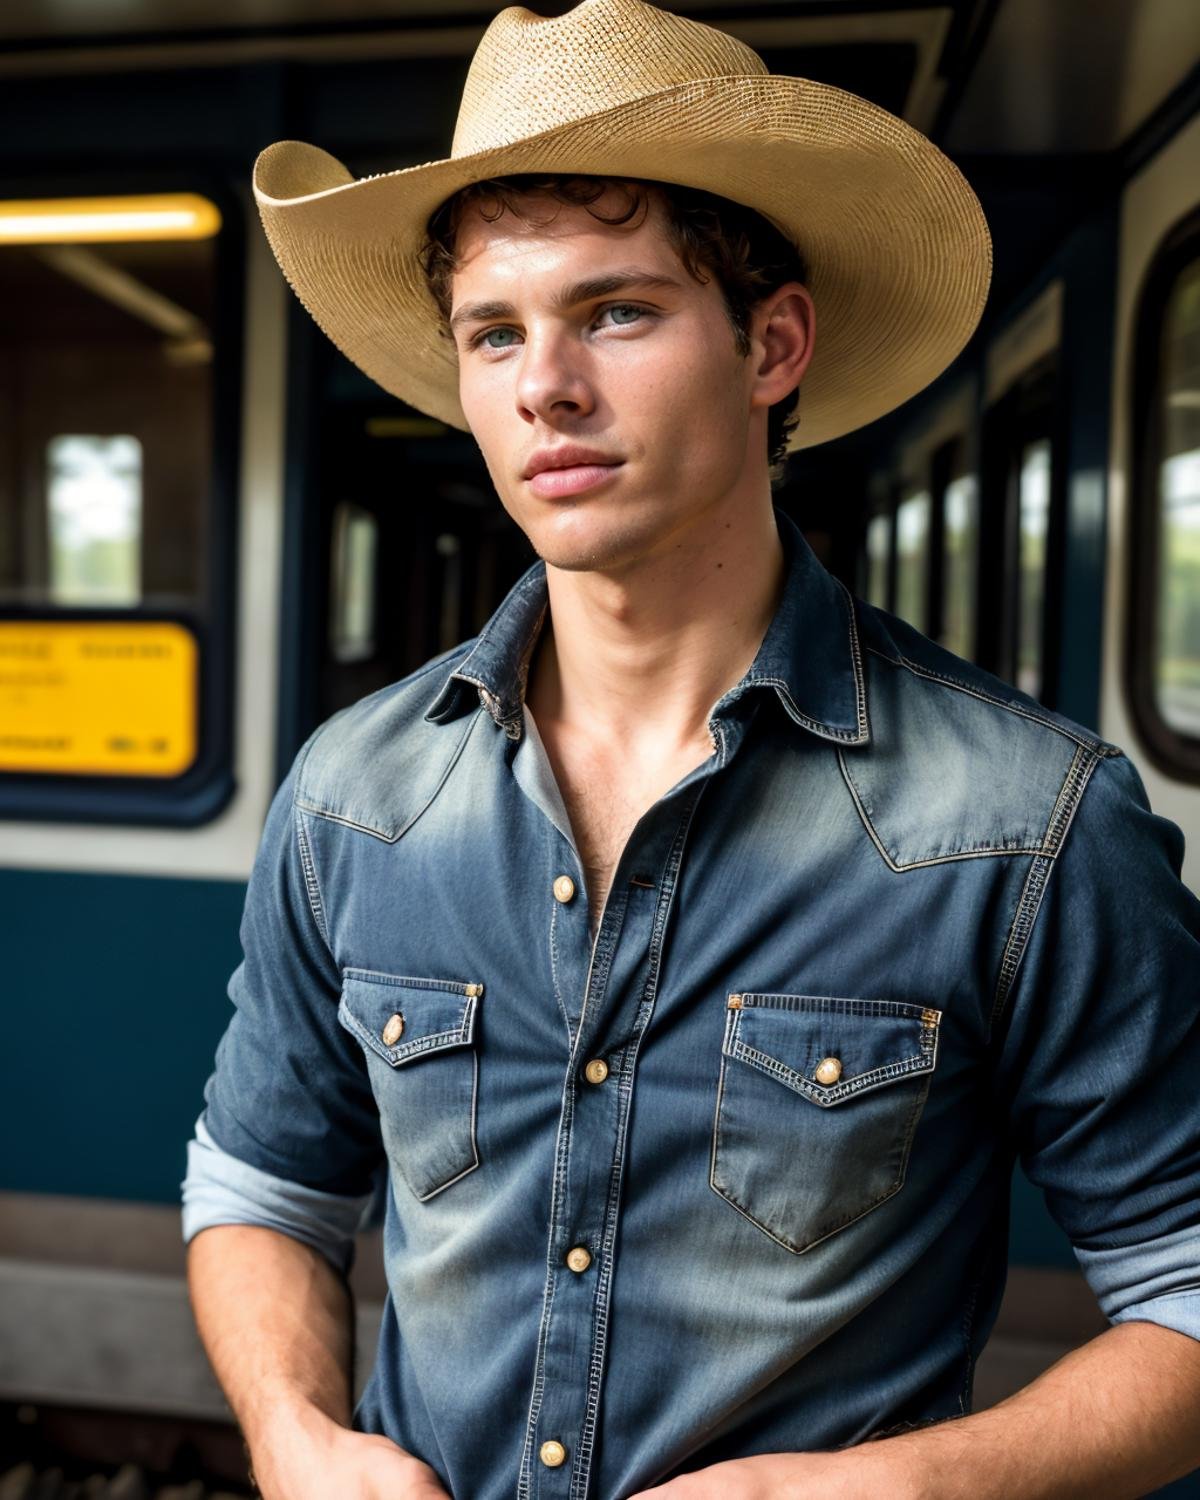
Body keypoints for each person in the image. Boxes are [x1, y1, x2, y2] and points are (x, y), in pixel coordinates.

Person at [182, 2, 1200, 1497]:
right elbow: (258, 1184)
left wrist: (877, 1491)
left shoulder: (1026, 823)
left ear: (772, 342)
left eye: (616, 312)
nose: (545, 387)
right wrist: (295, 1437)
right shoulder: (356, 795)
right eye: (494, 333)